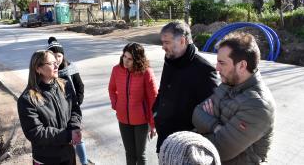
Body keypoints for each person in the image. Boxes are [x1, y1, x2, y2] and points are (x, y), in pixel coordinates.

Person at [192, 32, 276, 165]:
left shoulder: (258, 104)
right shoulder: (228, 83)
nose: (217, 68)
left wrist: (197, 135)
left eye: (222, 63)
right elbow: (197, 113)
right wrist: (216, 126)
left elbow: (221, 149)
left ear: (242, 66)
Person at [153, 21, 218, 153]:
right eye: (162, 42)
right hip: (164, 138)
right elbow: (163, 91)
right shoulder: (170, 60)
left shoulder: (204, 69)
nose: (163, 47)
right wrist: (155, 112)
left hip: (186, 146)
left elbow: (212, 112)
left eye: (167, 42)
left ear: (182, 41)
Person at [17, 50, 82, 165]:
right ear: (38, 69)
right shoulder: (27, 99)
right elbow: (35, 132)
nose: (57, 64)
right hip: (46, 159)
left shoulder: (65, 85)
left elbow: (75, 110)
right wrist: (67, 135)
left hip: (68, 155)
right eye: (51, 63)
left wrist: (74, 128)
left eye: (56, 61)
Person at [108, 42, 158, 165]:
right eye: (124, 56)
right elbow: (111, 89)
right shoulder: (116, 70)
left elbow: (154, 99)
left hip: (141, 121)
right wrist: (116, 104)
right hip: (123, 120)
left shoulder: (146, 72)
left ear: (138, 59)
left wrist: (153, 124)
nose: (126, 61)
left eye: (130, 59)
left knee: (140, 155)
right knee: (129, 154)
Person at [47, 37, 89, 165]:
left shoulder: (70, 67)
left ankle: (84, 162)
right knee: (63, 136)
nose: (57, 59)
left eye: (59, 55)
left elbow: (80, 86)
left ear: (63, 56)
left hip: (71, 108)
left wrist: (77, 103)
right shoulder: (49, 72)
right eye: (54, 56)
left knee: (77, 136)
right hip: (56, 112)